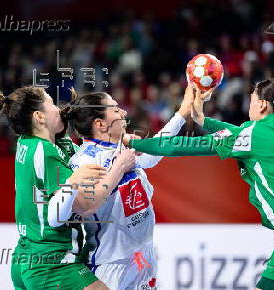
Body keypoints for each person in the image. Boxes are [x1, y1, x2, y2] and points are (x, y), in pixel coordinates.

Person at [0, 77, 136, 289]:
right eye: (51, 103)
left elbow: (78, 148)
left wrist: (112, 138)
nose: (59, 108)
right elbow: (84, 205)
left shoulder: (32, 141)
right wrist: (118, 167)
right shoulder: (45, 152)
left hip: (26, 257)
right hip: (52, 263)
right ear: (40, 117)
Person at [128, 78, 274, 290]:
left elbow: (176, 146)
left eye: (252, 100)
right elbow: (240, 134)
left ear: (262, 105)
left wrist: (132, 142)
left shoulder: (255, 134)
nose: (250, 105)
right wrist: (203, 120)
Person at [62, 86, 193, 289]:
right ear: (101, 124)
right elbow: (85, 206)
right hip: (112, 264)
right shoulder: (85, 161)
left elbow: (155, 151)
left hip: (142, 255)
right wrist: (118, 167)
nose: (123, 112)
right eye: (115, 109)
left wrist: (183, 112)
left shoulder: (123, 145)